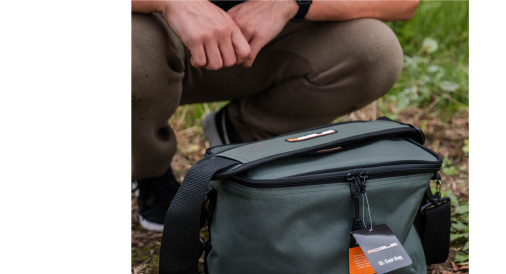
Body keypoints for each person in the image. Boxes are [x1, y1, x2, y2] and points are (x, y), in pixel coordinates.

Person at [132, 0, 420, 231]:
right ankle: (148, 169)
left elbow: (404, 3)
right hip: (154, 37)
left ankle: (241, 135)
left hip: (264, 42)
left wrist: (290, 3)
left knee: (374, 48)